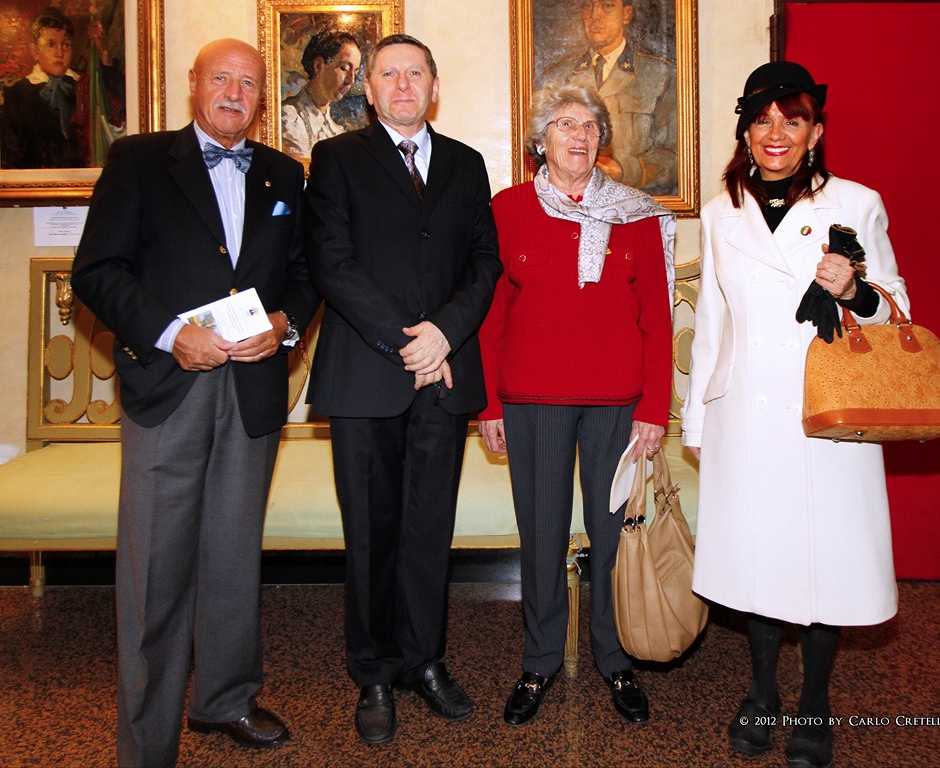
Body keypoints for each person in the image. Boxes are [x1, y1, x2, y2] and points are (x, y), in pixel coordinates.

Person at [71, 38, 320, 768]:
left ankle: (225, 698)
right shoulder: (140, 160)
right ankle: (147, 743)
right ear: (194, 84)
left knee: (234, 555)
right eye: (222, 78)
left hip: (252, 391)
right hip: (168, 389)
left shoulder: (285, 174)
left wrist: (287, 323)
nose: (235, 93)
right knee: (155, 571)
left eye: (250, 83)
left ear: (263, 97)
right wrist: (171, 333)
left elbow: (305, 273)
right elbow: (97, 270)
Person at [681, 61, 909, 768]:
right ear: (745, 133)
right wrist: (697, 419)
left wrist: (856, 290)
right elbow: (712, 323)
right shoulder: (720, 213)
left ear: (816, 131)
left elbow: (899, 308)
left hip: (826, 416)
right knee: (757, 560)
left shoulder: (856, 203)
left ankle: (814, 700)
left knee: (822, 560)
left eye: (793, 119)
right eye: (762, 120)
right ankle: (760, 692)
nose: (776, 132)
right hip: (745, 412)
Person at [303, 34, 501, 746]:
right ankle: (375, 674)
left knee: (427, 529)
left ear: (434, 86)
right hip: (367, 374)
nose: (404, 84)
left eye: (415, 72)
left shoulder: (465, 163)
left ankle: (423, 661)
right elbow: (331, 262)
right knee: (370, 532)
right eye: (389, 73)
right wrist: (407, 340)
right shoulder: (335, 159)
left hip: (443, 375)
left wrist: (443, 334)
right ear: (369, 89)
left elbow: (484, 262)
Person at [478, 84, 675, 727]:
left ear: (601, 140)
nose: (579, 135)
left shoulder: (636, 213)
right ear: (541, 141)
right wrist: (489, 404)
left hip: (617, 403)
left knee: (613, 537)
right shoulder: (506, 209)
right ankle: (539, 661)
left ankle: (614, 656)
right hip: (531, 399)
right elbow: (491, 315)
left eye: (590, 126)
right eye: (565, 124)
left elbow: (657, 318)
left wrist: (653, 408)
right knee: (540, 535)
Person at [540, 0, 677, 196]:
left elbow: (676, 158)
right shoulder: (557, 77)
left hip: (630, 202)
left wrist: (625, 170)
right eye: (588, 5)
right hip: (570, 202)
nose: (594, 15)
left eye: (607, 5)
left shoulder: (660, 76)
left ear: (626, 14)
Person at [0, 7, 83, 168]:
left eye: (66, 45)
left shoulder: (82, 86)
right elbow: (11, 153)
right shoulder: (16, 94)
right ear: (35, 51)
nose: (60, 53)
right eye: (50, 44)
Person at [281, 30, 362, 157]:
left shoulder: (337, 132)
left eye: (355, 72)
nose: (351, 80)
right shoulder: (288, 117)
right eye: (344, 68)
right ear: (318, 65)